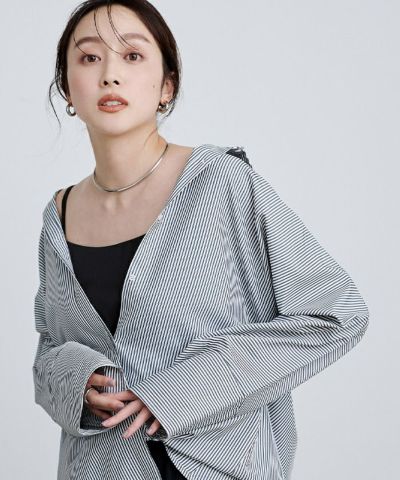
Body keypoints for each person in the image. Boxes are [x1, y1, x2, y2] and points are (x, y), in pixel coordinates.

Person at [32, 1, 370, 479]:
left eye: (132, 56)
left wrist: (179, 393)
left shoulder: (221, 183)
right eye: (89, 58)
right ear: (68, 87)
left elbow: (336, 314)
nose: (110, 75)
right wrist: (79, 385)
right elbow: (48, 349)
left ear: (166, 85)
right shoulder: (59, 214)